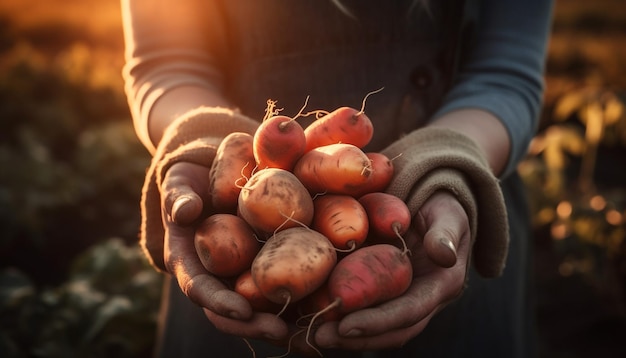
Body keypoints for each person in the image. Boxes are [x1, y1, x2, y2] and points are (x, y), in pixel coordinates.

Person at [121, 0, 553, 357]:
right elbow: (166, 64)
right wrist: (206, 139)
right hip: (232, 244)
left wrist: (446, 158)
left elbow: (507, 74)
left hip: (442, 214)